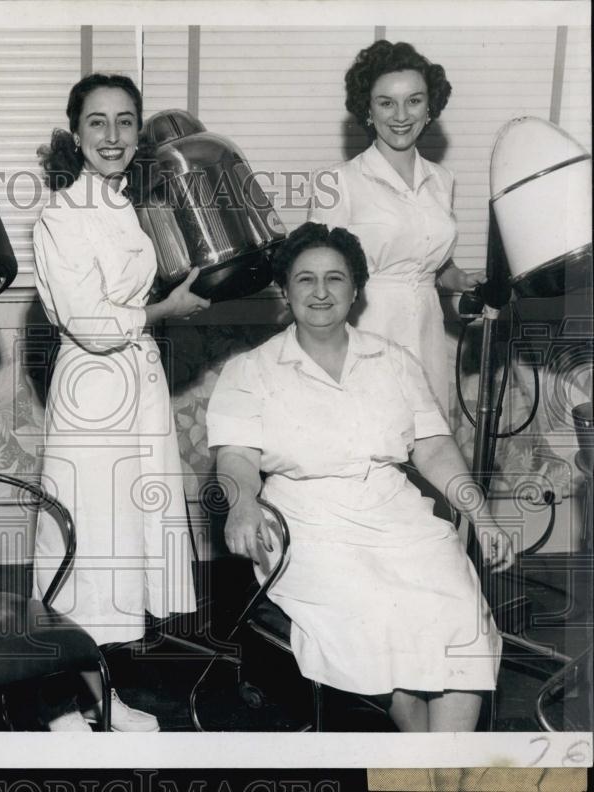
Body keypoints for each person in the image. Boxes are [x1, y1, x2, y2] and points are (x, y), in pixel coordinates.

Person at [206, 222, 515, 732]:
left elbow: (434, 447)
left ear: (356, 290)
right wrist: (241, 505)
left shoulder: (393, 361)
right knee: (377, 614)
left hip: (397, 512)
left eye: (336, 278)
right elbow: (235, 458)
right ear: (284, 290)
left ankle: (436, 769)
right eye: (305, 279)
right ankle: (430, 769)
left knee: (458, 605)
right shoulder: (251, 370)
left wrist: (481, 517)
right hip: (307, 521)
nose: (321, 292)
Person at [32, 73, 210, 731]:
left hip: (136, 386)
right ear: (75, 133)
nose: (112, 136)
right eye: (97, 122)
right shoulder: (60, 215)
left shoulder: (132, 206)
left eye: (126, 121)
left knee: (126, 547)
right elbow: (90, 322)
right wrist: (165, 308)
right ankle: (63, 704)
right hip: (92, 395)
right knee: (88, 552)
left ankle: (100, 699)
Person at [309, 40, 484, 411]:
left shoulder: (442, 180)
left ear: (430, 108)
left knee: (427, 447)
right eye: (386, 102)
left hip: (428, 333)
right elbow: (314, 277)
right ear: (368, 110)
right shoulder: (336, 182)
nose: (401, 115)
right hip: (366, 332)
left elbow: (430, 266)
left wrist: (461, 279)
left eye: (414, 101)